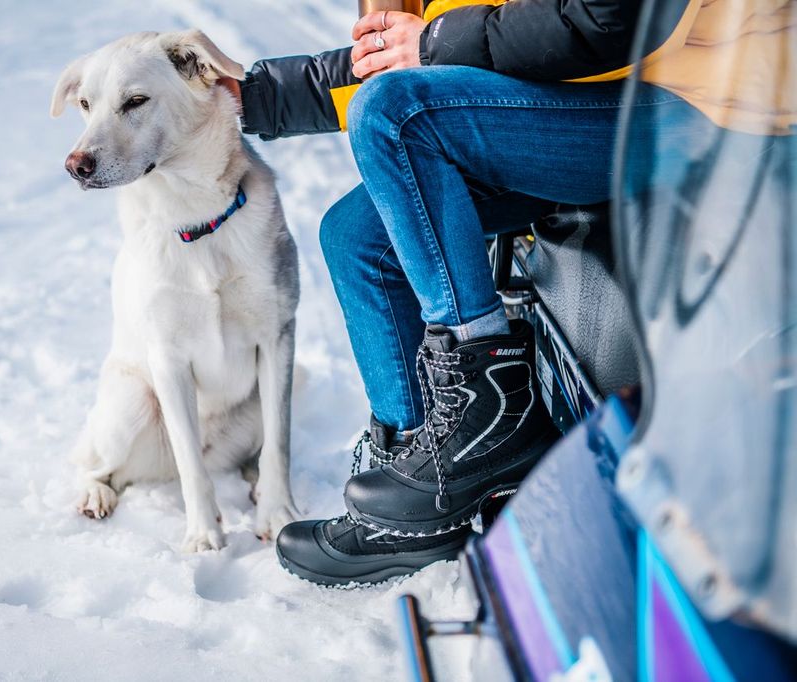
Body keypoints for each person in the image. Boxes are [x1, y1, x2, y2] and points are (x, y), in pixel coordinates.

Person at [219, 0, 790, 586]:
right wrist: (251, 97)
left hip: (719, 107)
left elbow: (602, 21)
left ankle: (487, 412)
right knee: (357, 235)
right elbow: (425, 46)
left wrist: (433, 45)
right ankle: (417, 488)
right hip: (610, 88)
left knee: (397, 114)